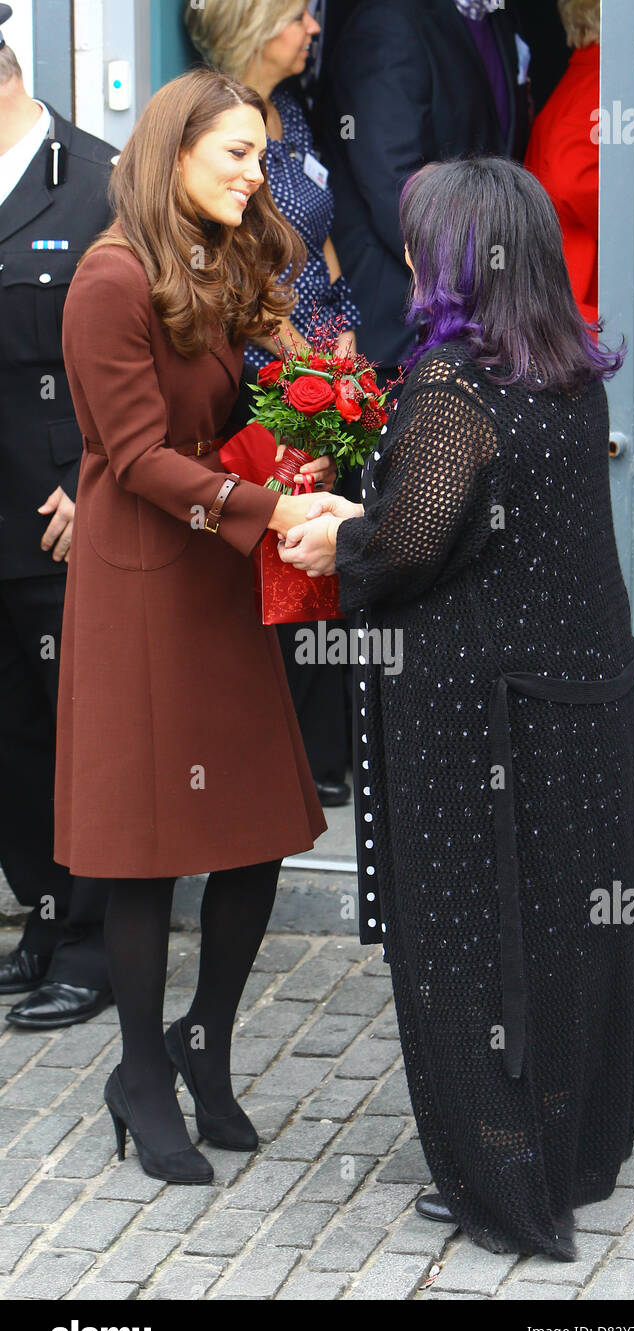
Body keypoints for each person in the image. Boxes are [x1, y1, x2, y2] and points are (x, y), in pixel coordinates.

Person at [278, 157, 634, 1261]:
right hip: (581, 700)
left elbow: (405, 545)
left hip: (478, 717)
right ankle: (573, 1150)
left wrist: (336, 536)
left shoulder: (452, 388)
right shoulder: (565, 367)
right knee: (573, 932)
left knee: (472, 940)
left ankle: (501, 1169)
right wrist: (366, 515)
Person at [56, 68, 328, 1183]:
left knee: (255, 827)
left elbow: (259, 397)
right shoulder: (109, 278)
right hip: (142, 582)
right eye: (237, 154)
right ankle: (139, 1072)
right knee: (149, 848)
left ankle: (201, 1045)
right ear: (174, 154)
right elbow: (135, 459)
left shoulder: (217, 255)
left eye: (262, 154)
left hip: (218, 565)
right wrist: (270, 509)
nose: (257, 174)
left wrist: (314, 440)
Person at [186, 0, 362, 807]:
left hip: (324, 364)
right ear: (255, 27)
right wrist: (303, 364)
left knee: (328, 549)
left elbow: (318, 232)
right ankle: (273, 768)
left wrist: (345, 334)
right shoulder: (212, 124)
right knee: (280, 566)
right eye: (297, 14)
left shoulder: (289, 109)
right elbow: (230, 263)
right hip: (265, 382)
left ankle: (323, 756)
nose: (313, 28)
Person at [0, 3, 113, 1028]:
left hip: (58, 514)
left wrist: (97, 482)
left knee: (84, 733)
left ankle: (93, 942)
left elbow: (148, 357)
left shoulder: (99, 182)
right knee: (12, 739)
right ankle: (41, 915)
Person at [315, 0, 532, 376]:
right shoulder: (389, 20)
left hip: (462, 310)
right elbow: (394, 183)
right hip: (400, 317)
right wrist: (465, 282)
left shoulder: (496, 17)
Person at [525, 0, 601, 323]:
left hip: (561, 288)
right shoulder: (603, 82)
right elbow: (572, 176)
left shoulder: (581, 76)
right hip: (586, 294)